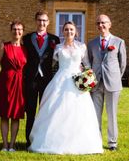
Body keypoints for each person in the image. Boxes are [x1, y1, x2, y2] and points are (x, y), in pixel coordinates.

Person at [28, 21, 103, 154]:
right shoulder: (57, 48)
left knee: (79, 112)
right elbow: (49, 64)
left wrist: (87, 77)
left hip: (77, 82)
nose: (69, 32)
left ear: (76, 32)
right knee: (55, 109)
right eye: (66, 30)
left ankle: (80, 142)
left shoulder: (82, 47)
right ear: (63, 32)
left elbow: (86, 64)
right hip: (60, 80)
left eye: (71, 30)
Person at [87, 14, 127, 151]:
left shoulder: (119, 42)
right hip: (96, 84)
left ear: (109, 24)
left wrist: (115, 78)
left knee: (111, 114)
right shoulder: (91, 44)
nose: (101, 25)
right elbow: (90, 62)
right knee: (95, 115)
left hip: (113, 84)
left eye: (103, 23)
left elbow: (122, 64)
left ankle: (112, 143)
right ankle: (96, 141)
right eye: (98, 23)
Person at [0, 20, 27, 152]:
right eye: (15, 29)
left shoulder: (25, 48)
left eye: (19, 29)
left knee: (16, 115)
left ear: (23, 32)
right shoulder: (3, 46)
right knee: (4, 115)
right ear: (11, 31)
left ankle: (12, 144)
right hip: (5, 83)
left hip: (20, 85)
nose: (17, 32)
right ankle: (5, 144)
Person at [22, 10, 60, 144]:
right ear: (35, 21)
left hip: (47, 80)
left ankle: (43, 140)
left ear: (48, 22)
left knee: (45, 111)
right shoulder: (26, 38)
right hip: (31, 79)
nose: (42, 23)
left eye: (44, 20)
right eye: (39, 20)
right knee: (30, 111)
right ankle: (29, 140)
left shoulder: (55, 39)